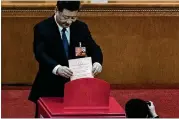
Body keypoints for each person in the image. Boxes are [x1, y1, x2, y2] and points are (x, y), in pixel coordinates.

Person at [28, 1, 103, 118]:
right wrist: (57, 68)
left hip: (75, 85)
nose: (69, 22)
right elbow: (40, 53)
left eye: (73, 17)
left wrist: (97, 62)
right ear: (56, 10)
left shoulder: (81, 27)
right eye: (65, 17)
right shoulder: (42, 28)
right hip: (50, 85)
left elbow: (94, 48)